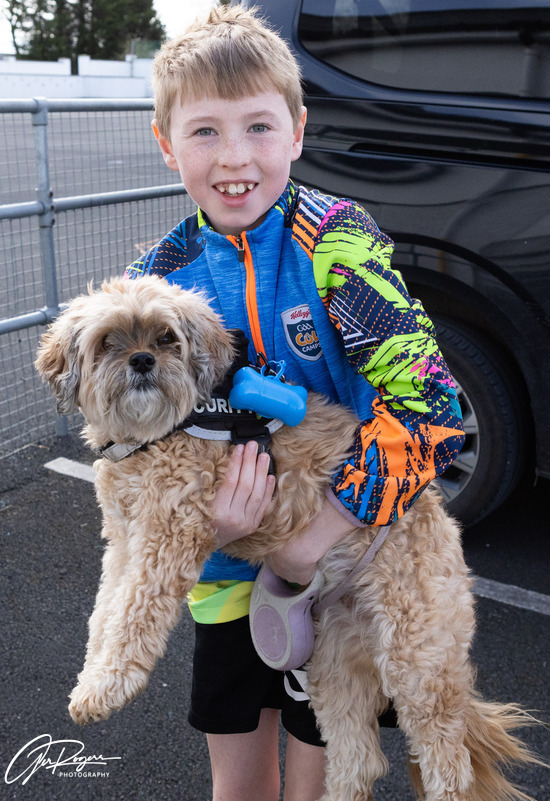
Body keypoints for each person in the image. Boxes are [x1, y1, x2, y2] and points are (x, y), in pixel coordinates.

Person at [124, 5, 465, 799]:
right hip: (223, 569)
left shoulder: (336, 241)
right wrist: (208, 525)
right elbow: (135, 451)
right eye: (205, 132)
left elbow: (433, 409)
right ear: (166, 142)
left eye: (259, 127)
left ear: (298, 131)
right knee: (238, 779)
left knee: (324, 771)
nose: (234, 157)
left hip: (342, 567)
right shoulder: (156, 278)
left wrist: (314, 538)